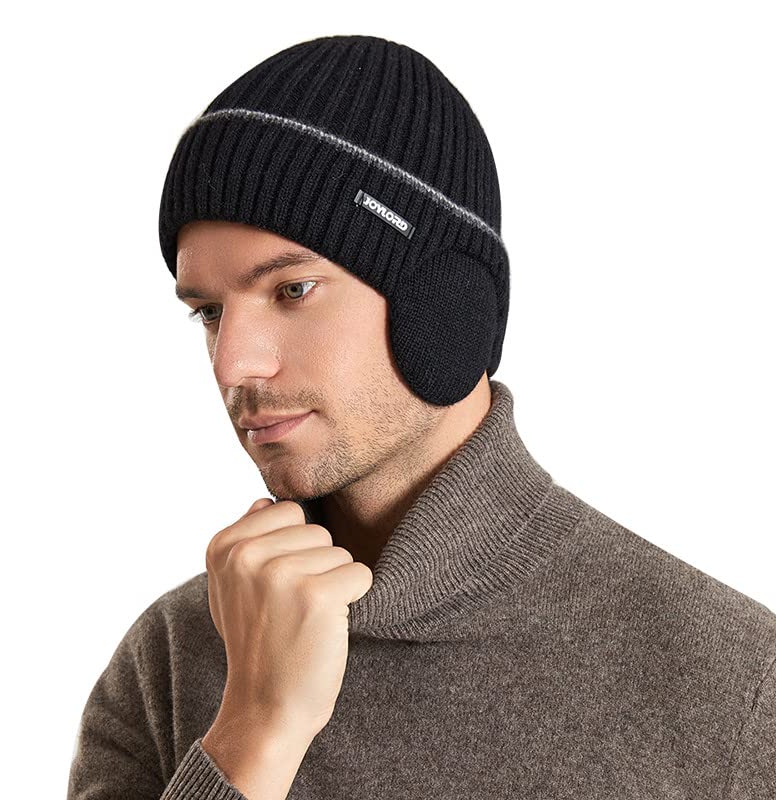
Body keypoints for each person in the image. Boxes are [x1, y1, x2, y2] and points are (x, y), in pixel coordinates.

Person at [68, 34, 775, 800]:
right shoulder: (170, 661)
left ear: (445, 303)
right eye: (208, 311)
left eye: (292, 290)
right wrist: (255, 729)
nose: (233, 364)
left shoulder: (735, 685)